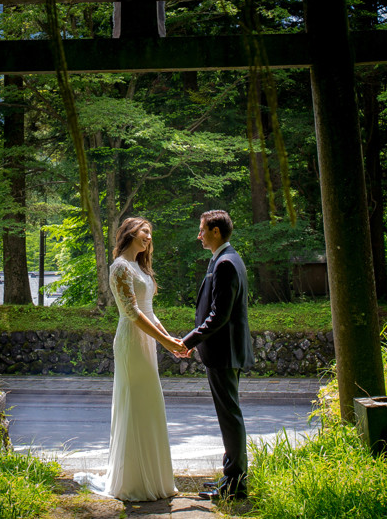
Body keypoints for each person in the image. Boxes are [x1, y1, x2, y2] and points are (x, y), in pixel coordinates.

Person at [74, 217, 186, 501]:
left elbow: (149, 310)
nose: (149, 237)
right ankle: (133, 482)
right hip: (131, 341)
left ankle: (156, 479)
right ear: (129, 234)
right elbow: (132, 313)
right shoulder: (120, 268)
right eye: (144, 232)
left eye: (150, 233)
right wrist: (164, 340)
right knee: (135, 404)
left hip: (147, 340)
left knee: (150, 404)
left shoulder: (139, 267)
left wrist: (170, 340)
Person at [180, 210, 254, 501]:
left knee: (230, 417)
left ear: (215, 231)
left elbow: (218, 316)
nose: (198, 236)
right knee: (228, 417)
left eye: (201, 230)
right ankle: (230, 479)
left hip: (224, 353)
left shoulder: (225, 263)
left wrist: (189, 341)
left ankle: (236, 486)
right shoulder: (226, 259)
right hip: (224, 353)